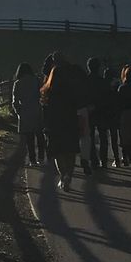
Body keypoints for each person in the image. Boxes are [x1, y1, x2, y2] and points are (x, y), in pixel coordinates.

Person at [41, 57, 81, 190]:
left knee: (59, 153)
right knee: (70, 152)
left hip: (54, 125)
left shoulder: (48, 92)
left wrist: (45, 125)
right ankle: (69, 174)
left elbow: (45, 110)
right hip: (70, 123)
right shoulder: (71, 91)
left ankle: (63, 175)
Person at [11, 63, 44, 165]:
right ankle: (41, 158)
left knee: (29, 138)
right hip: (37, 110)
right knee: (40, 136)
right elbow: (42, 94)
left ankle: (32, 160)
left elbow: (15, 101)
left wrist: (18, 112)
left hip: (25, 112)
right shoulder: (36, 80)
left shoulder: (18, 83)